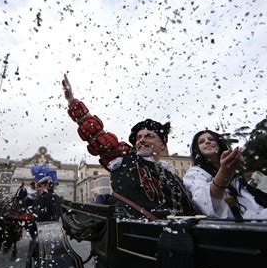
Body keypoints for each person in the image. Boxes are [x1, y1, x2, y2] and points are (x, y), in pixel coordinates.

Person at [62, 74, 198, 219]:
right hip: (135, 235)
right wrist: (73, 103)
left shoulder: (175, 178)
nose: (142, 140)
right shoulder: (125, 161)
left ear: (162, 145)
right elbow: (97, 134)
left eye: (149, 136)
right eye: (139, 137)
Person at [183, 130, 267, 220]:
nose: (207, 142)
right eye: (201, 142)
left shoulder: (236, 179)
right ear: (197, 149)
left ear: (219, 143)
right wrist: (225, 171)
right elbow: (206, 203)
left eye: (211, 139)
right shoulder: (194, 173)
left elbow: (254, 210)